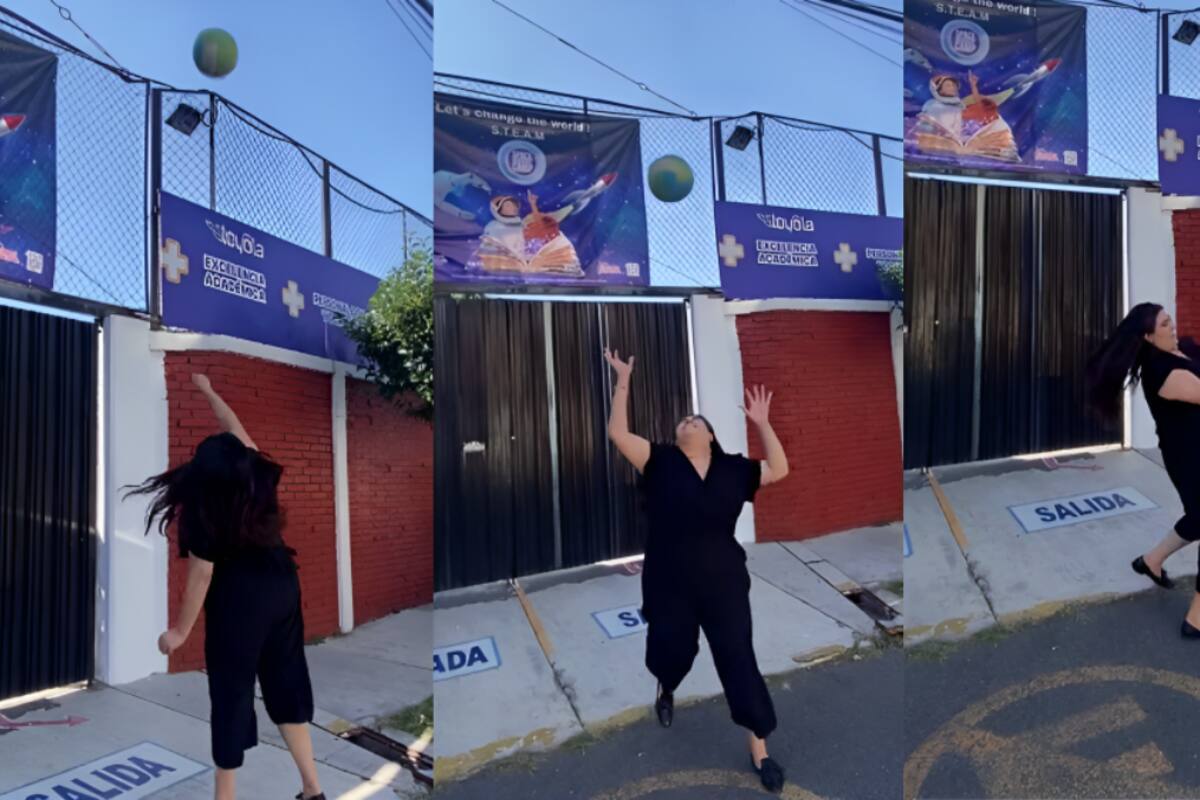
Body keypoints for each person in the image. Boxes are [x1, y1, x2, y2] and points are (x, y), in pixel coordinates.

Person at [125, 374, 324, 800]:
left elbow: (202, 575)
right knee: (285, 681)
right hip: (281, 585)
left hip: (239, 603)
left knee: (232, 693)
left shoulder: (205, 508)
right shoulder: (257, 477)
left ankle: (226, 796)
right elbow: (237, 430)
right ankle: (312, 788)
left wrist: (178, 633)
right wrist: (210, 391)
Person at [603, 348, 790, 793]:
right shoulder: (660, 461)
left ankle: (759, 749)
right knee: (672, 650)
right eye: (683, 421)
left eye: (697, 420)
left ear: (710, 436)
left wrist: (762, 422)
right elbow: (617, 433)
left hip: (723, 581)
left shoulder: (733, 470)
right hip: (670, 582)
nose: (688, 422)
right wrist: (623, 380)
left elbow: (780, 469)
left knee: (738, 658)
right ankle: (666, 688)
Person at [1087, 303, 1200, 637]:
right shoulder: (1164, 373)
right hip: (1190, 457)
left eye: (1170, 318)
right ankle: (1196, 618)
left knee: (1198, 518)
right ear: (1149, 337)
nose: (1173, 325)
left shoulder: (1183, 352)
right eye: (1165, 324)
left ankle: (1150, 561)